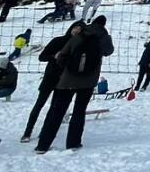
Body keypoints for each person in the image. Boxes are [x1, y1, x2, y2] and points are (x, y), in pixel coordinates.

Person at [36, 15, 113, 152]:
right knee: (79, 111)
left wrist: (67, 68)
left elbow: (62, 55)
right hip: (89, 80)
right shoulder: (104, 37)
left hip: (68, 79)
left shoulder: (79, 35)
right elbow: (109, 51)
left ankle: (43, 145)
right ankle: (73, 143)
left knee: (57, 112)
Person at [23, 23, 81, 142]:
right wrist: (54, 56)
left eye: (80, 29)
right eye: (76, 27)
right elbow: (42, 57)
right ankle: (27, 132)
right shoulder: (58, 41)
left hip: (64, 80)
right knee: (39, 105)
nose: (77, 30)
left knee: (54, 108)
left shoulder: (79, 45)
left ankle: (44, 132)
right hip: (50, 77)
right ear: (71, 28)